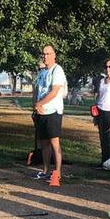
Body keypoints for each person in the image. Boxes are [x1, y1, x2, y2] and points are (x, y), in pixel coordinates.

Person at [32, 45, 67, 187]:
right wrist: (35, 107)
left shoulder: (57, 70)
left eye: (48, 54)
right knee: (44, 143)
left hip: (53, 111)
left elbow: (54, 92)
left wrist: (39, 104)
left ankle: (57, 173)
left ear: (54, 55)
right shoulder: (42, 72)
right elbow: (37, 90)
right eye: (43, 54)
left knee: (54, 143)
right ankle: (45, 170)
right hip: (41, 112)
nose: (45, 56)